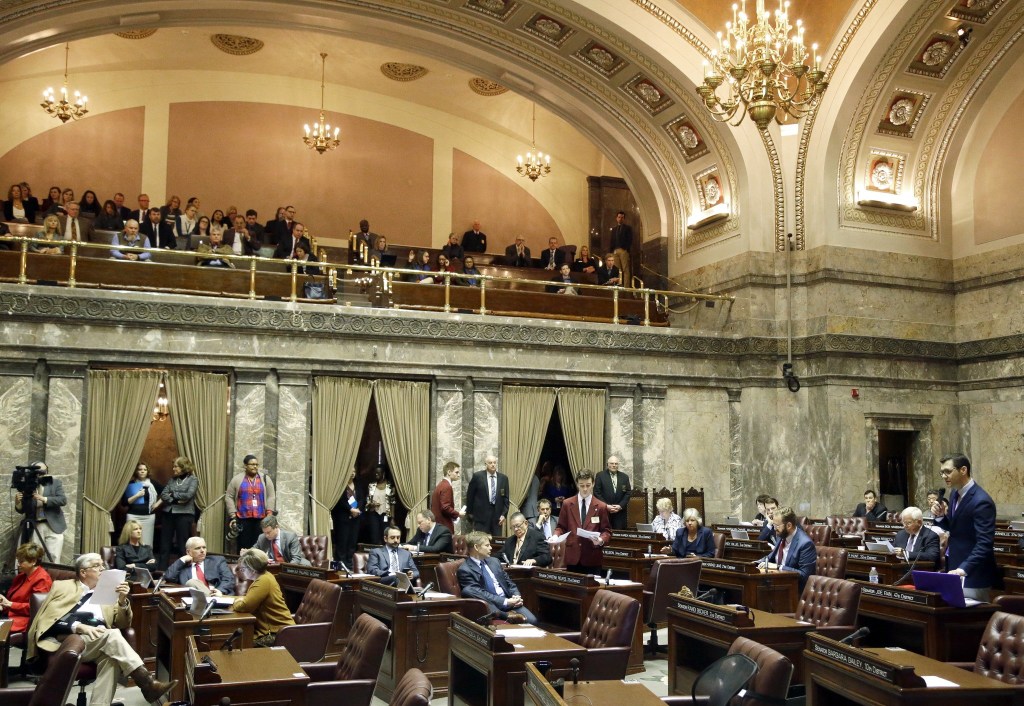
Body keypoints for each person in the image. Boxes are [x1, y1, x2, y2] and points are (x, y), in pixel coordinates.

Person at [27, 553, 178, 706]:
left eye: (102, 565)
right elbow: (49, 618)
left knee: (111, 658)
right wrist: (78, 626)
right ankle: (147, 682)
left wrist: (122, 600)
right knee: (112, 635)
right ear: (83, 572)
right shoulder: (64, 586)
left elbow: (123, 623)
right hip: (68, 640)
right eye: (96, 565)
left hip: (100, 639)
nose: (102, 569)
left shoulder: (109, 590)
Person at [932, 453, 997, 601]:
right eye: (942, 472)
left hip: (974, 573)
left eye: (948, 471)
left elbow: (984, 543)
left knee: (972, 620)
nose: (944, 476)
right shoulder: (955, 492)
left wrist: (964, 568)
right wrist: (941, 517)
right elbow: (957, 529)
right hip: (955, 567)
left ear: (963, 470)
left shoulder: (981, 501)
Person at [457, 531, 536, 624]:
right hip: (492, 606)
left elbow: (509, 582)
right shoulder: (465, 570)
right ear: (476, 547)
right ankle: (504, 616)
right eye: (487, 545)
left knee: (532, 621)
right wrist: (505, 601)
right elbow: (479, 593)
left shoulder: (494, 561)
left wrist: (516, 596)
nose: (491, 548)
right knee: (468, 590)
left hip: (510, 603)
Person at [231, 548, 294, 646]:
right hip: (274, 630)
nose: (242, 571)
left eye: (243, 569)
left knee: (239, 645)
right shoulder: (266, 576)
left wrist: (235, 602)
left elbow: (244, 606)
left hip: (276, 633)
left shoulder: (262, 581)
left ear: (252, 570)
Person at [553, 469, 611, 574]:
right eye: (581, 485)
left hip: (592, 557)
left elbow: (606, 531)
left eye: (588, 485)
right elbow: (561, 527)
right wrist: (556, 535)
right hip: (573, 558)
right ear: (577, 484)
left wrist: (601, 539)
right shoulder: (567, 504)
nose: (585, 489)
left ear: (593, 484)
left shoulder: (601, 506)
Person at [14, 460, 66, 563]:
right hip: (36, 525)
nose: (40, 473)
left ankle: (52, 578)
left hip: (53, 525)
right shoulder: (27, 485)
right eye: (37, 471)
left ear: (47, 470)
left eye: (43, 470)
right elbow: (22, 510)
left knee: (54, 557)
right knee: (34, 557)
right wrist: (17, 503)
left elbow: (62, 500)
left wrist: (44, 499)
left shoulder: (55, 483)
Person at [226, 454, 277, 551]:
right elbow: (229, 496)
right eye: (252, 464)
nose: (255, 467)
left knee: (259, 546)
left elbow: (271, 496)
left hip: (261, 519)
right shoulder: (237, 479)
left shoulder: (265, 479)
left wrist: (269, 513)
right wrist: (233, 514)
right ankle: (243, 565)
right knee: (243, 546)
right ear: (245, 466)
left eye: (257, 464)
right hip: (243, 518)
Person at [760, 506, 816, 591]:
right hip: (777, 584)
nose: (775, 529)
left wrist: (778, 567)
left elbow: (804, 575)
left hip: (793, 590)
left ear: (789, 525)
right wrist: (754, 564)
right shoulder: (782, 535)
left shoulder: (805, 544)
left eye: (776, 526)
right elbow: (771, 557)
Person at [0, 543, 52, 633]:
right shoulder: (21, 576)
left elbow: (37, 608)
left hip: (23, 620)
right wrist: (2, 605)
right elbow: (10, 599)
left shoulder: (42, 579)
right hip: (9, 614)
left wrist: (10, 604)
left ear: (33, 562)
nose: (18, 565)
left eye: (21, 562)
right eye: (18, 561)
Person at [158, 456, 198, 568]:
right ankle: (161, 570)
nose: (173, 469)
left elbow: (188, 495)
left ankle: (183, 570)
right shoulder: (172, 480)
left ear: (183, 467)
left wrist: (173, 495)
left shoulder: (193, 480)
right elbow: (164, 494)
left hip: (185, 515)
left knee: (182, 544)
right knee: (164, 545)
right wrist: (175, 500)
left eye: (176, 466)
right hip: (168, 513)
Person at [164, 536, 235, 595]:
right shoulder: (183, 566)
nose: (202, 551)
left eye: (204, 547)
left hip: (219, 596)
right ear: (188, 552)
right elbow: (169, 577)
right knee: (191, 582)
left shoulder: (217, 561)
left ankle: (211, 598)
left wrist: (220, 590)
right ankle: (209, 599)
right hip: (196, 601)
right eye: (198, 548)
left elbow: (228, 579)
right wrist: (182, 560)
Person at [465, 455, 510, 535]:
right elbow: (470, 496)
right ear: (486, 464)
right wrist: (470, 513)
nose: (493, 464)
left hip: (497, 517)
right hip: (481, 517)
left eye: (494, 463)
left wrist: (504, 514)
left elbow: (506, 499)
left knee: (496, 542)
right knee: (480, 541)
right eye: (490, 463)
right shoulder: (477, 476)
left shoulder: (503, 478)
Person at [331, 470, 363, 568]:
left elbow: (362, 498)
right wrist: (350, 509)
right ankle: (341, 563)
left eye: (354, 471)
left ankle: (349, 563)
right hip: (343, 517)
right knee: (342, 541)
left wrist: (357, 509)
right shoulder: (342, 485)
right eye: (350, 471)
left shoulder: (358, 485)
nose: (352, 473)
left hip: (356, 518)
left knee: (352, 541)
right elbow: (340, 500)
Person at [594, 455, 631, 530]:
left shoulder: (624, 477)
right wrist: (606, 506)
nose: (614, 465)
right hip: (605, 512)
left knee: (619, 537)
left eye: (616, 463)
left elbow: (628, 493)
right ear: (607, 464)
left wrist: (620, 506)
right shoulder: (600, 475)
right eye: (611, 463)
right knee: (604, 534)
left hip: (620, 513)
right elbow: (597, 492)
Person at [363, 466, 392, 546]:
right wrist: (371, 504)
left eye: (378, 473)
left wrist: (393, 518)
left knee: (385, 535)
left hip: (385, 515)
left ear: (383, 473)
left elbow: (393, 502)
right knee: (374, 536)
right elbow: (367, 500)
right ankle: (375, 554)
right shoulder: (371, 485)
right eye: (375, 473)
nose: (376, 474)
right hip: (373, 513)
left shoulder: (389, 485)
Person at [430, 461, 462, 533]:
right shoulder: (447, 486)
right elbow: (445, 507)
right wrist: (458, 514)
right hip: (443, 525)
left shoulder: (441, 484)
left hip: (438, 524)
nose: (459, 475)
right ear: (449, 472)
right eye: (456, 472)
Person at [610, 210, 633, 288]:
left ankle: (626, 287)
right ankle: (619, 286)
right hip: (615, 251)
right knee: (617, 270)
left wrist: (625, 248)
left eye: (622, 217)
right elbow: (611, 240)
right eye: (619, 217)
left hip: (623, 250)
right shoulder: (614, 229)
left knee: (625, 269)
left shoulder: (628, 228)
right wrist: (611, 251)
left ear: (624, 219)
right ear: (616, 218)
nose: (620, 219)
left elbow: (630, 239)